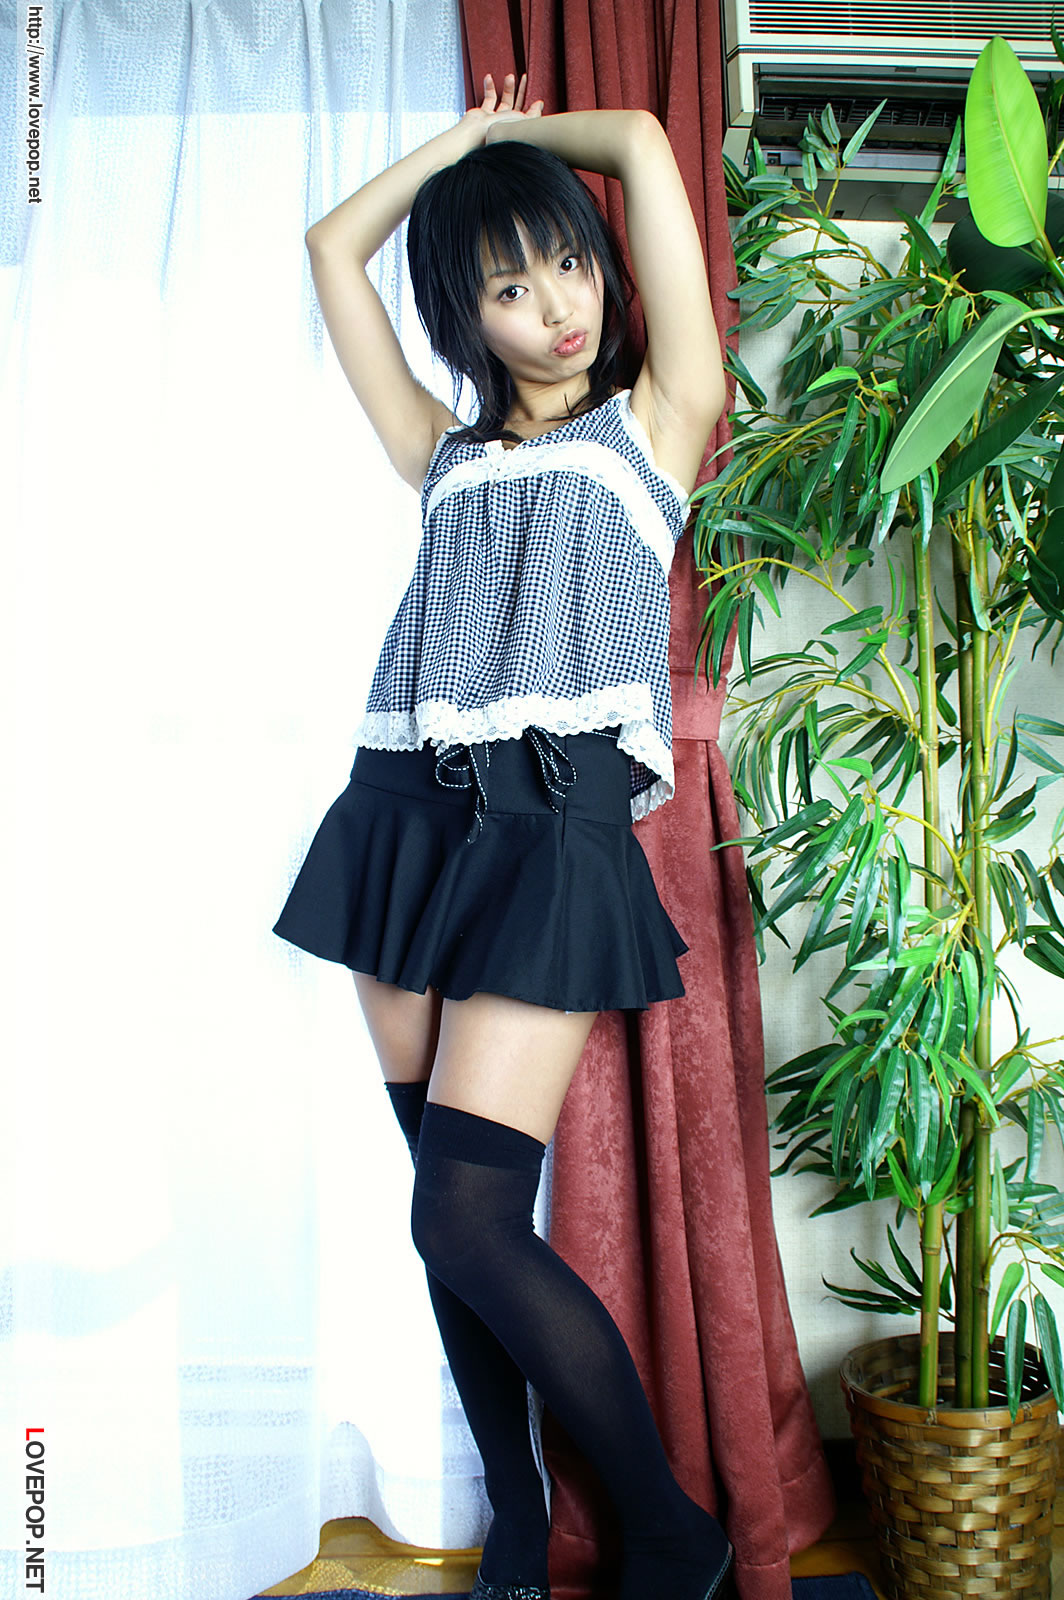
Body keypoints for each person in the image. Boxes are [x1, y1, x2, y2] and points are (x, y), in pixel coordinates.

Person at [274, 71, 731, 1600]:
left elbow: (645, 145)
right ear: (467, 317)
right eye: (511, 287)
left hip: (554, 822)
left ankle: (666, 1527)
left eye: (569, 266)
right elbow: (333, 251)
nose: (558, 309)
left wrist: (521, 143)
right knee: (445, 1216)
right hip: (407, 812)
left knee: (469, 1214)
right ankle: (516, 1514)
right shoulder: (442, 452)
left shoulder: (655, 426)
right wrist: (459, 148)